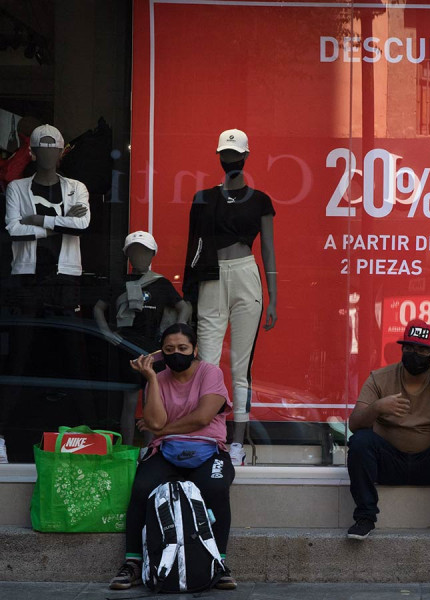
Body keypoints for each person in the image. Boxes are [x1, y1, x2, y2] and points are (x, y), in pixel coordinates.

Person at [109, 323, 236, 591]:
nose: (176, 353)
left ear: (195, 350)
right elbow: (155, 421)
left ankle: (219, 562)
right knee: (141, 488)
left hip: (208, 449)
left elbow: (202, 417)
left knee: (215, 488)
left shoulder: (210, 373)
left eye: (182, 348)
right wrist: (152, 378)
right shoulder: (159, 379)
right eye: (168, 349)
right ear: (161, 353)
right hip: (167, 451)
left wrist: (163, 430)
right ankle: (133, 562)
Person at [182, 129, 277, 466]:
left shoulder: (261, 200)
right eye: (226, 155)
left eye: (236, 155)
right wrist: (188, 293)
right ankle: (209, 433)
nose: (230, 160)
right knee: (207, 361)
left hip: (246, 274)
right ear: (219, 156)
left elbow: (268, 249)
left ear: (246, 156)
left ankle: (237, 442)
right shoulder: (204, 198)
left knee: (240, 365)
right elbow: (193, 246)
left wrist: (274, 297)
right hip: (211, 275)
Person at [346, 319, 430, 542]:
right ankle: (364, 517)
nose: (414, 354)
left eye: (421, 349)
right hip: (389, 463)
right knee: (360, 440)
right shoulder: (380, 378)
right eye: (409, 347)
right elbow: (354, 424)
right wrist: (377, 408)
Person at [93, 231, 191, 444]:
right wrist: (106, 332)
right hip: (126, 348)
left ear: (153, 254)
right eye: (135, 252)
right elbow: (98, 308)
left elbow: (183, 307)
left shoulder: (161, 284)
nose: (140, 257)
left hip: (153, 348)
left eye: (145, 252)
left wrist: (177, 333)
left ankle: (150, 448)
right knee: (129, 402)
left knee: (151, 399)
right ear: (127, 255)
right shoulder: (118, 282)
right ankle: (127, 449)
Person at [5, 123, 90, 316]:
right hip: (27, 273)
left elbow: (81, 224)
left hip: (66, 272)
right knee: (26, 329)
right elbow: (13, 229)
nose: (48, 154)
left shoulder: (76, 188)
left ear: (61, 153)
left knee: (66, 330)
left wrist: (37, 219)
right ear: (33, 153)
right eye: (42, 149)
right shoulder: (16, 188)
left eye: (53, 149)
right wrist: (62, 224)